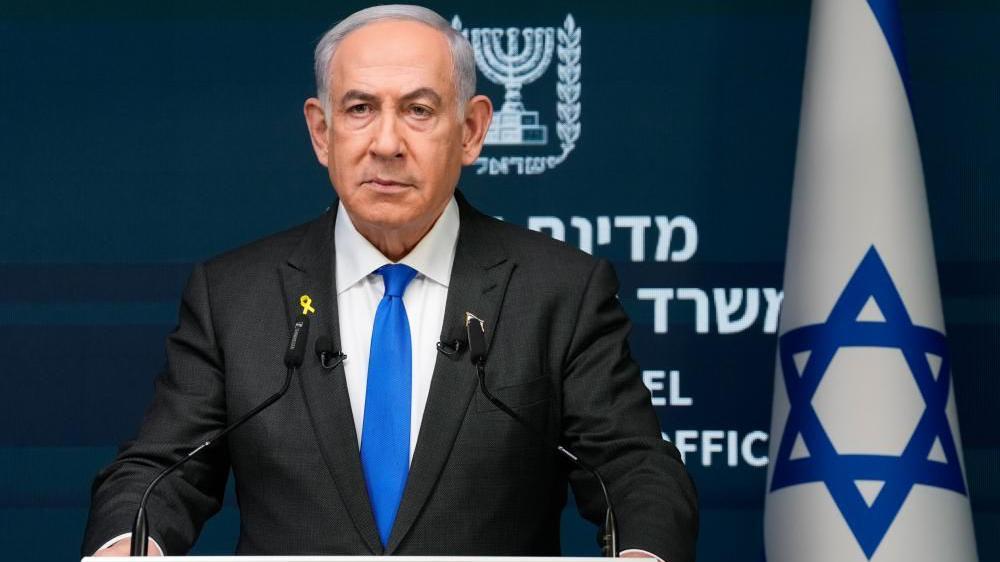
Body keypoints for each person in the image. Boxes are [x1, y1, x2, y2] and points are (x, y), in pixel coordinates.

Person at [82, 5, 698, 561]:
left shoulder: (559, 291)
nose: (385, 143)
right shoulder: (233, 295)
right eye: (359, 108)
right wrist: (126, 545)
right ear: (321, 132)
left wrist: (643, 553)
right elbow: (158, 471)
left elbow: (634, 469)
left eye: (419, 110)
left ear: (472, 129)